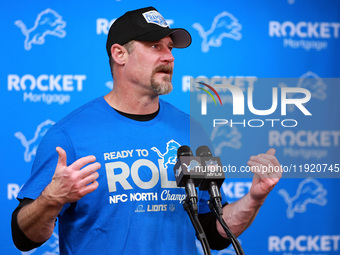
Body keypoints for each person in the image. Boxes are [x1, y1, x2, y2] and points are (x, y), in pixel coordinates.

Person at [11, 6, 282, 255]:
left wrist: (254, 198)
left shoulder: (191, 129)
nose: (168, 56)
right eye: (155, 46)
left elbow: (213, 232)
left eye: (170, 48)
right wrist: (49, 199)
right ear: (119, 54)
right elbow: (24, 237)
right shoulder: (68, 135)